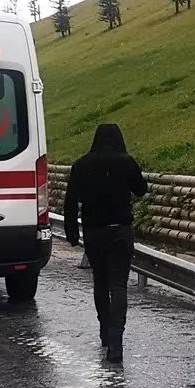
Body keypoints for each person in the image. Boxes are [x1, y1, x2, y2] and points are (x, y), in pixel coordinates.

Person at [63, 124, 148, 362]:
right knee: (119, 286)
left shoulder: (81, 165)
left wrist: (71, 232)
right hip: (120, 231)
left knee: (100, 282)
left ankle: (104, 333)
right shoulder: (126, 161)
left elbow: (70, 201)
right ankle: (116, 338)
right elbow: (141, 190)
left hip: (94, 233)